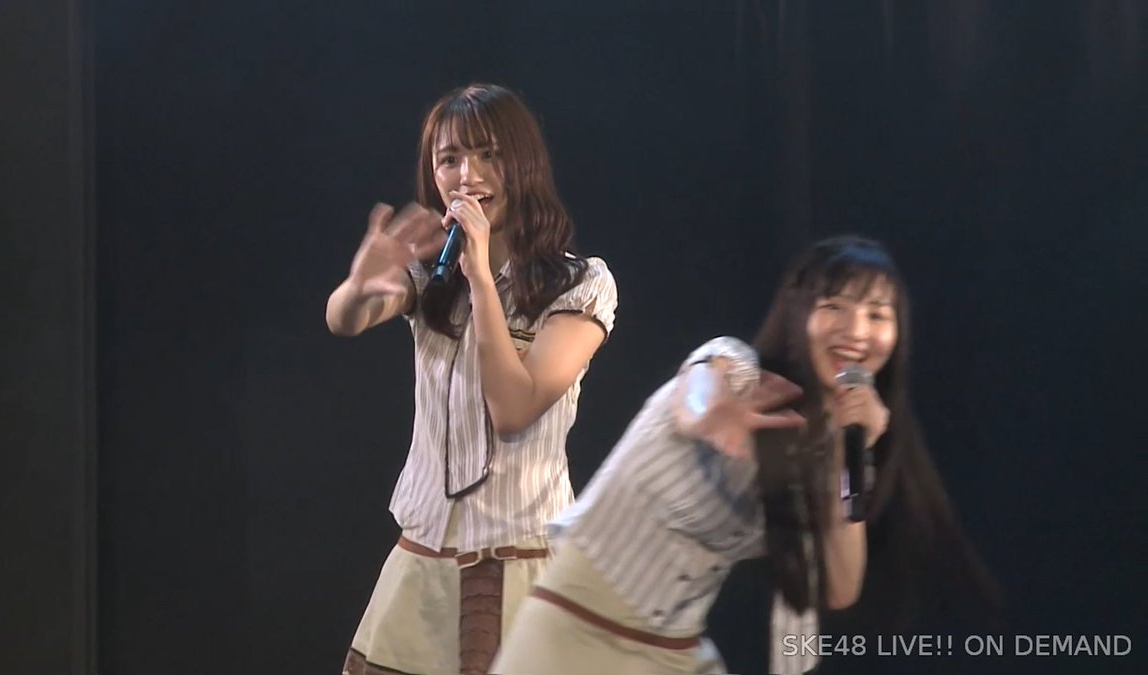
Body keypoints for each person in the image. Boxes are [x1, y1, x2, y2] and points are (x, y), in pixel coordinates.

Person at [490, 236, 1000, 675]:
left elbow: (840, 587)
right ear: (799, 312)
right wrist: (717, 416)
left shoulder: (830, 454)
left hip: (672, 654)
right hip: (572, 632)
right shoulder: (736, 367)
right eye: (835, 307)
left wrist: (854, 455)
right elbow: (695, 397)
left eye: (877, 314)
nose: (857, 331)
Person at [326, 83, 618, 675]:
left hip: (522, 563)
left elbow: (514, 409)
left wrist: (482, 277)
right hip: (422, 559)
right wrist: (357, 286)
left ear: (524, 163)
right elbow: (344, 320)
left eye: (489, 155)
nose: (469, 175)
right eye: (450, 159)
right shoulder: (432, 278)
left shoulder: (581, 284)